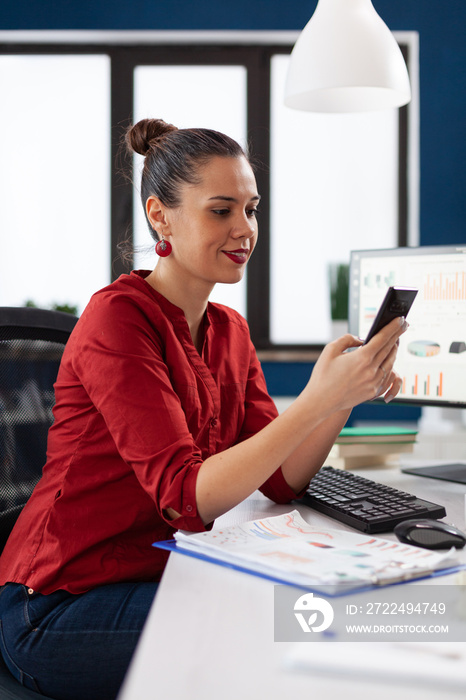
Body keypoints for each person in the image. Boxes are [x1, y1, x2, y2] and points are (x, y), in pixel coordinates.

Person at [0, 118, 406, 700]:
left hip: (156, 577)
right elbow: (186, 499)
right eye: (222, 210)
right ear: (159, 215)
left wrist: (341, 398)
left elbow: (282, 480)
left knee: (324, 615)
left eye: (252, 208)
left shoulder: (230, 330)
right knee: (294, 635)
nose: (245, 229)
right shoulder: (117, 319)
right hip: (58, 608)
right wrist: (318, 397)